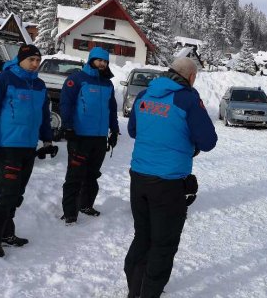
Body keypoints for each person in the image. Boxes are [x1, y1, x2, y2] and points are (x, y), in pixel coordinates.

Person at [124, 57, 217, 298]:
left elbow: (133, 130)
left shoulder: (145, 94)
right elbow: (208, 141)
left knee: (142, 235)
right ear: (191, 77)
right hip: (168, 183)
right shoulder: (187, 99)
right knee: (163, 243)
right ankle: (147, 292)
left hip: (139, 178)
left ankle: (134, 287)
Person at [0, 44, 54, 257]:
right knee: (7, 193)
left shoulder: (39, 85)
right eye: (31, 60)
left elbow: (43, 115)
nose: (35, 64)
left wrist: (47, 139)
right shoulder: (3, 80)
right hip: (7, 145)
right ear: (20, 60)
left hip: (28, 147)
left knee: (16, 194)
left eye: (38, 60)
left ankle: (5, 233)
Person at [59, 47, 119, 224]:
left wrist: (114, 130)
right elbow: (66, 104)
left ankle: (86, 205)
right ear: (91, 59)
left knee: (92, 174)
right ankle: (70, 212)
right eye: (99, 60)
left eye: (105, 61)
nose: (102, 64)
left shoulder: (107, 84)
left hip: (99, 137)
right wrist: (68, 126)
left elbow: (112, 109)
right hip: (80, 135)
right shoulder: (77, 79)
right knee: (75, 175)